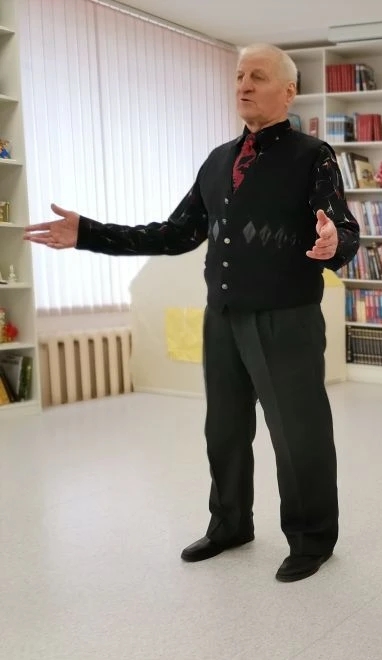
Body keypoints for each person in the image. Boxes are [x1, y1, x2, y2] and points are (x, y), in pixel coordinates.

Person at [23, 43, 361, 583]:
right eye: (239, 76)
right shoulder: (218, 160)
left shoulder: (312, 155)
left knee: (298, 434)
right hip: (222, 317)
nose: (243, 85)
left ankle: (312, 538)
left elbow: (343, 226)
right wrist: (88, 233)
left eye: (257, 76)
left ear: (288, 92)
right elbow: (175, 233)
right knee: (223, 430)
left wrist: (333, 243)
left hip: (286, 318)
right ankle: (230, 524)